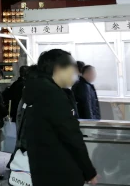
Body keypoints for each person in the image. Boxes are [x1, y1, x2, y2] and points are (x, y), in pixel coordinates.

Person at [25, 49, 97, 186]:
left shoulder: (36, 90)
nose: (75, 73)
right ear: (58, 68)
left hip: (43, 169)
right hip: (62, 172)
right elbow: (71, 136)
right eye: (72, 68)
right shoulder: (53, 95)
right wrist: (89, 171)